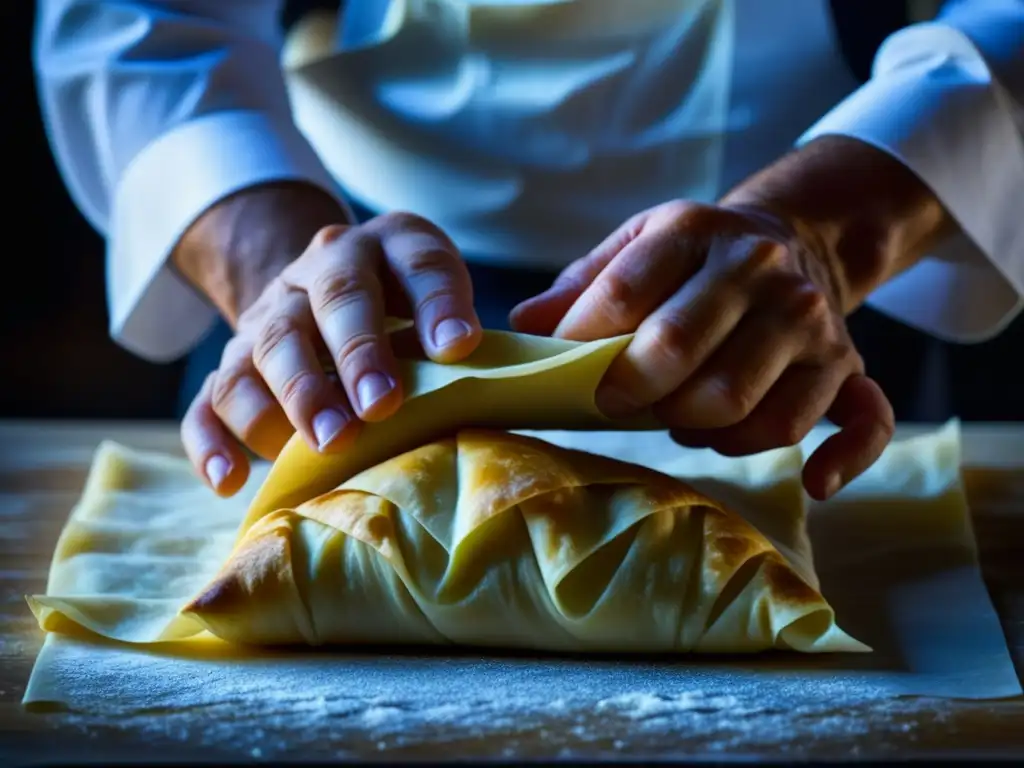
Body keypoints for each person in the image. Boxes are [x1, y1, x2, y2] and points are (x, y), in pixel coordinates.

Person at [34, 0, 1024, 502]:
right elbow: (139, 18)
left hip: (802, 301)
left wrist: (825, 228)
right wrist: (267, 265)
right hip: (338, 299)